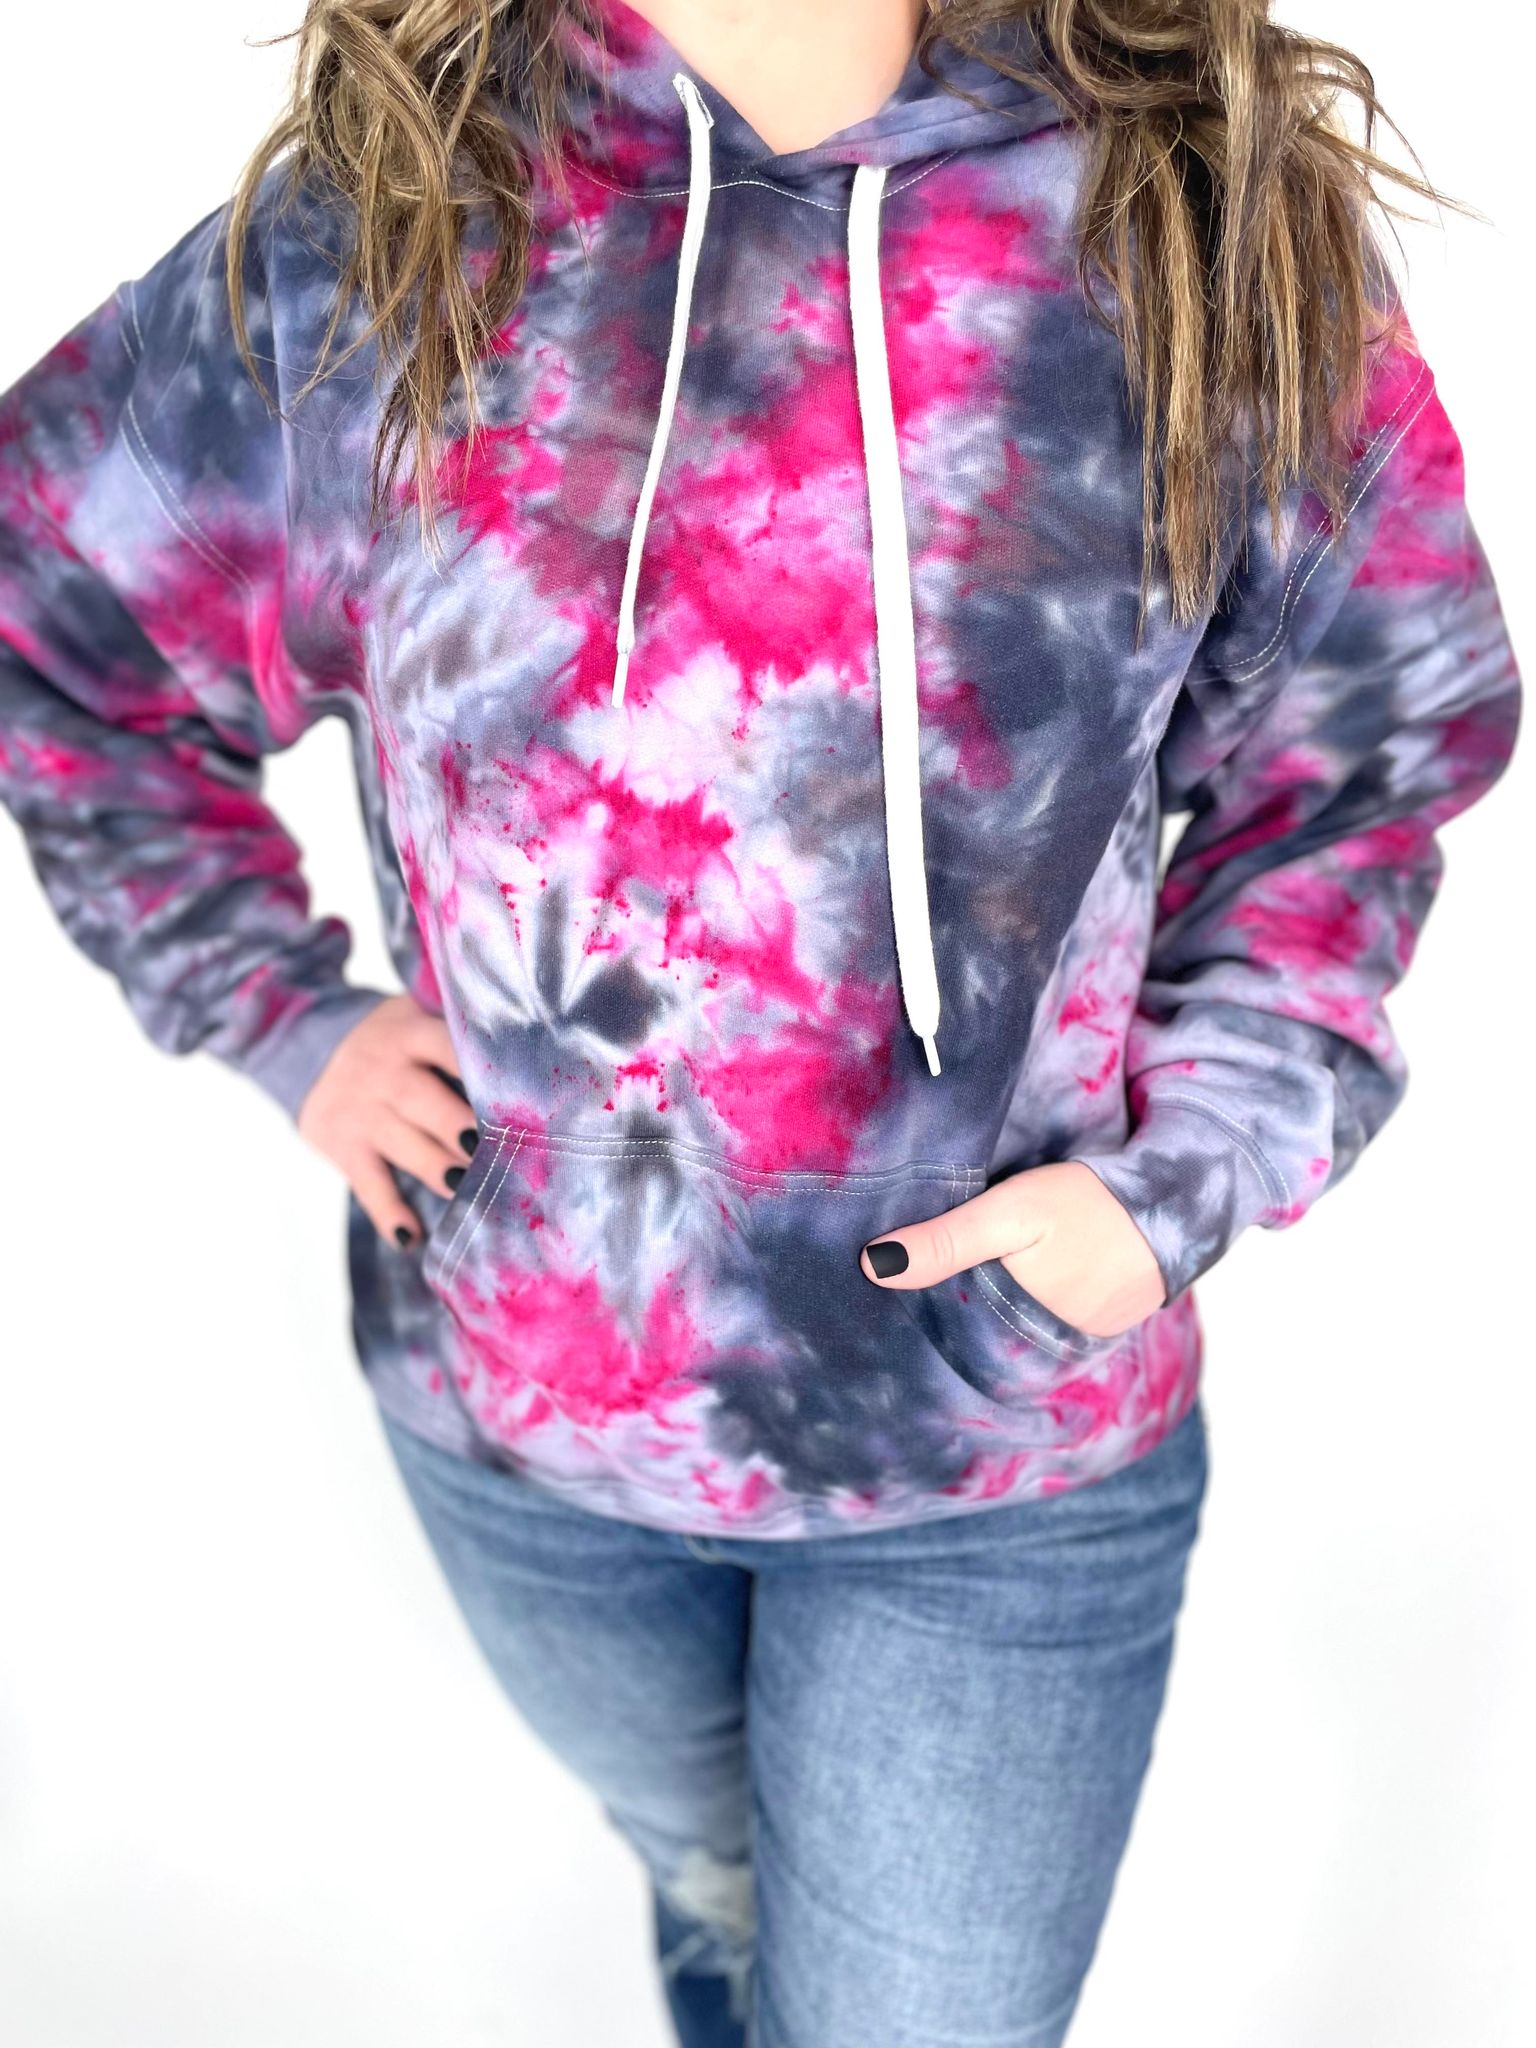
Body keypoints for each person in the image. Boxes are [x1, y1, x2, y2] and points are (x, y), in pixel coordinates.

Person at [0, 1, 1521, 2040]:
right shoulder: (392, 224)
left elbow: (1369, 755)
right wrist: (281, 1014)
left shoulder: (1190, 213)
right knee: (734, 1916)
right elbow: (48, 612)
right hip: (527, 1423)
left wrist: (1177, 1179)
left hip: (995, 1443)